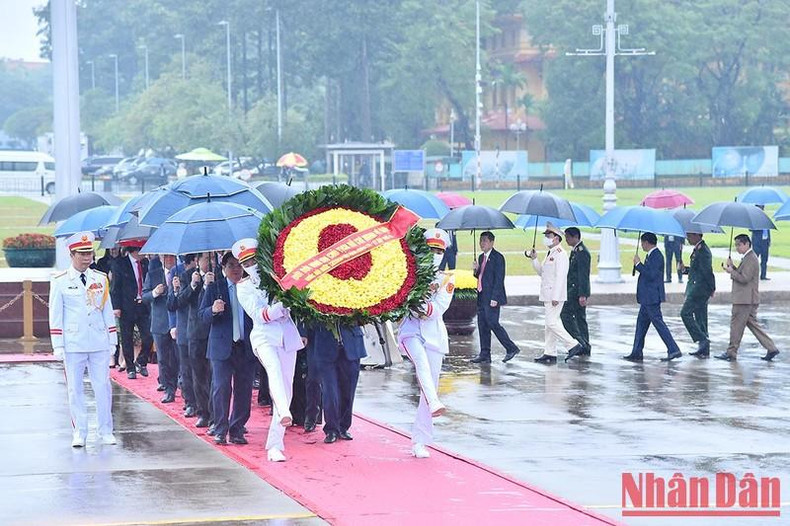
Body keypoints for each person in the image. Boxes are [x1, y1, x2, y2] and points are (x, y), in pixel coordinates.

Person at [232, 238, 304, 462]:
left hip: (286, 336)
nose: (251, 266)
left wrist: (291, 298)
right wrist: (280, 306)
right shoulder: (243, 287)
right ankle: (283, 409)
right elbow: (259, 315)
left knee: (287, 386)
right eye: (246, 263)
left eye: (253, 261)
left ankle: (275, 445)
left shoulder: (277, 276)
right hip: (264, 337)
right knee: (273, 370)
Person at [49, 232, 118, 447]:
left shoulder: (100, 278)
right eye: (82, 254)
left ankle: (105, 430)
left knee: (103, 387)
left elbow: (106, 310)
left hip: (98, 340)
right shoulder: (60, 281)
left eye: (90, 253)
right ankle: (80, 431)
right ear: (72, 255)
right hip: (73, 342)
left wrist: (112, 338)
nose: (87, 258)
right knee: (75, 389)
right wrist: (58, 345)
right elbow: (56, 314)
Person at [397, 228, 455, 459]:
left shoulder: (447, 279)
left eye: (439, 251)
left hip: (434, 335)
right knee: (420, 363)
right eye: (430, 249)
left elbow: (439, 307)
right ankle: (434, 401)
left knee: (429, 382)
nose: (434, 255)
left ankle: (420, 440)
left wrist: (420, 306)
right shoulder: (410, 275)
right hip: (411, 331)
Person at [199, 252, 257, 445]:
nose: (236, 269)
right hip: (222, 346)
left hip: (246, 346)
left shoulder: (251, 287)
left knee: (244, 390)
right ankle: (220, 429)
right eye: (231, 265)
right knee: (221, 388)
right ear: (223, 268)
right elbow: (202, 316)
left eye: (239, 265)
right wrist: (213, 310)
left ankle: (237, 429)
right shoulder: (215, 288)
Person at [526, 223, 584, 364]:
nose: (546, 238)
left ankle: (573, 344)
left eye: (549, 235)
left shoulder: (560, 254)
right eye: (546, 235)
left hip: (555, 296)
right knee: (549, 325)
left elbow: (561, 277)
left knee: (551, 323)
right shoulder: (550, 253)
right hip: (547, 294)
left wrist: (556, 296)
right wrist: (534, 259)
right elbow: (542, 272)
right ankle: (550, 353)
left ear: (557, 238)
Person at [716, 234, 780, 362]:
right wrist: (733, 267)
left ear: (747, 244)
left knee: (736, 326)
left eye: (739, 245)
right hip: (747, 299)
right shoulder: (748, 257)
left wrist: (731, 272)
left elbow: (744, 278)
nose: (737, 248)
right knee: (753, 326)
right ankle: (771, 348)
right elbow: (743, 274)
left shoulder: (751, 258)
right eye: (736, 245)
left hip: (744, 300)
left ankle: (731, 352)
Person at [301, 323, 367, 444]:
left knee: (348, 390)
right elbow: (305, 314)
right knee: (330, 390)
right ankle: (331, 429)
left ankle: (343, 426)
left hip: (351, 342)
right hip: (324, 343)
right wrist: (303, 332)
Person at [623, 232, 683, 362]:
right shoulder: (651, 255)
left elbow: (651, 275)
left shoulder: (657, 256)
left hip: (651, 297)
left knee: (659, 323)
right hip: (647, 297)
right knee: (641, 325)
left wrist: (638, 265)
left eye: (642, 243)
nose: (641, 245)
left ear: (646, 242)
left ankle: (673, 349)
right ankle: (637, 351)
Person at [470, 231, 521, 364]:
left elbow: (499, 279)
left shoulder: (498, 258)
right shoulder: (481, 257)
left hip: (492, 297)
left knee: (493, 323)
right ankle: (485, 354)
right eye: (480, 240)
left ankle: (511, 348)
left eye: (485, 241)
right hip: (482, 295)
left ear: (492, 242)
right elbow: (481, 276)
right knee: (482, 325)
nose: (482, 243)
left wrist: (495, 298)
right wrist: (476, 270)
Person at [110, 242, 154, 379]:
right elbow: (115, 287)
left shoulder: (146, 263)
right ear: (136, 250)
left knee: (148, 335)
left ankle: (141, 361)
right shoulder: (120, 263)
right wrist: (116, 307)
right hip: (126, 305)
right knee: (127, 337)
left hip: (143, 305)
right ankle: (130, 367)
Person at [180, 252, 212, 428]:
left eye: (211, 258)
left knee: (215, 376)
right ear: (198, 260)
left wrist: (210, 285)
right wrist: (195, 285)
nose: (210, 262)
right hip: (196, 331)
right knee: (198, 375)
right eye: (206, 259)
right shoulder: (188, 276)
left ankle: (217, 415)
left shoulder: (218, 276)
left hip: (214, 331)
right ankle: (203, 412)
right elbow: (180, 301)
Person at [142, 255, 178, 403]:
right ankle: (168, 389)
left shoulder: (180, 273)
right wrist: (155, 293)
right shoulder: (153, 274)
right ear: (161, 258)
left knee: (177, 358)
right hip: (160, 321)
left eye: (171, 256)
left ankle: (178, 384)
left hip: (176, 321)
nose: (168, 259)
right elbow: (144, 296)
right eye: (165, 256)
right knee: (163, 359)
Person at [168, 254, 199, 417]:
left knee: (201, 371)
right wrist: (175, 290)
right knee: (186, 369)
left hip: (200, 330)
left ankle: (203, 404)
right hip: (184, 329)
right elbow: (173, 304)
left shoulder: (208, 277)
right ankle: (190, 402)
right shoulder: (181, 277)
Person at [679, 232, 716, 358]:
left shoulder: (703, 251)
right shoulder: (698, 249)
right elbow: (697, 270)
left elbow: (707, 272)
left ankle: (702, 339)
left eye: (689, 236)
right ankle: (704, 347)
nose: (688, 238)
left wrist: (712, 287)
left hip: (699, 290)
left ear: (697, 235)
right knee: (700, 318)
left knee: (685, 313)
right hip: (697, 288)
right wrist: (685, 269)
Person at [561, 227, 591, 357]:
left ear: (575, 237)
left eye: (568, 237)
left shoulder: (582, 252)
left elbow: (583, 275)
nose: (566, 240)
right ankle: (584, 345)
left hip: (576, 291)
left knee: (566, 314)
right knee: (579, 318)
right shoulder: (576, 251)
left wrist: (583, 294)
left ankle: (580, 343)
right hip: (573, 289)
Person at [751, 206, 771, 280]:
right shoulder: (754, 219)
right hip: (757, 242)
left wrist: (769, 240)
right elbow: (751, 229)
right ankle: (752, 275)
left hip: (765, 242)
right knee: (754, 259)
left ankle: (763, 275)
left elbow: (768, 230)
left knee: (764, 260)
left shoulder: (765, 218)